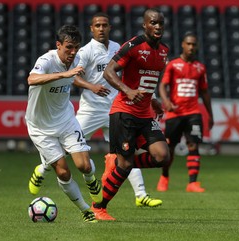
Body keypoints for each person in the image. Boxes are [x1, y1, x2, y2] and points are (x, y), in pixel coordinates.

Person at [74, 12, 163, 208]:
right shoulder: (86, 51)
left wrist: (152, 98)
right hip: (91, 110)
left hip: (118, 108)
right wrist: (92, 86)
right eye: (97, 25)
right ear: (91, 28)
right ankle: (44, 167)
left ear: (109, 27)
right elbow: (73, 76)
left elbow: (140, 76)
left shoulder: (117, 47)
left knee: (128, 155)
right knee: (70, 143)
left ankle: (140, 194)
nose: (101, 29)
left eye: (104, 25)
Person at [91, 8, 170, 221]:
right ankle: (99, 207)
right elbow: (108, 72)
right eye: (153, 23)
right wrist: (127, 90)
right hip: (124, 112)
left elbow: (147, 79)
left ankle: (115, 164)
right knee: (125, 166)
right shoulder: (133, 46)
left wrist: (152, 99)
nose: (158, 27)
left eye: (160, 23)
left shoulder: (164, 50)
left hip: (145, 114)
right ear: (144, 25)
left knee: (162, 156)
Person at [25, 25, 102, 223]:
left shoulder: (75, 59)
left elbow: (73, 77)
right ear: (58, 45)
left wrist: (87, 84)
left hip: (66, 119)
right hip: (40, 127)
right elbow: (31, 79)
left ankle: (91, 180)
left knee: (84, 166)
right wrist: (64, 75)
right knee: (63, 171)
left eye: (76, 47)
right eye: (68, 47)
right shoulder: (46, 60)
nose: (73, 52)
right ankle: (85, 210)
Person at [156, 31, 214, 193]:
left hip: (193, 113)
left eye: (193, 44)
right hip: (174, 113)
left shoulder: (200, 68)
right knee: (170, 148)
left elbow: (205, 92)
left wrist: (210, 114)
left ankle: (193, 183)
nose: (191, 47)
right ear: (183, 44)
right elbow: (162, 85)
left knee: (193, 144)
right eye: (188, 44)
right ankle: (164, 177)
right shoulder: (173, 65)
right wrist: (166, 101)